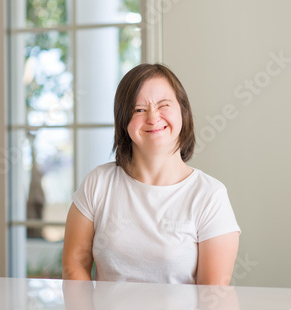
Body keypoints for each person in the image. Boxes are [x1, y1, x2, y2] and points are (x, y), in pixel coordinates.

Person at [62, 63, 241, 285]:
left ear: (183, 111)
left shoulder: (210, 195)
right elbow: (74, 267)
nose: (153, 117)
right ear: (123, 122)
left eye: (164, 105)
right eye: (138, 110)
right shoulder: (98, 183)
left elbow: (212, 294)